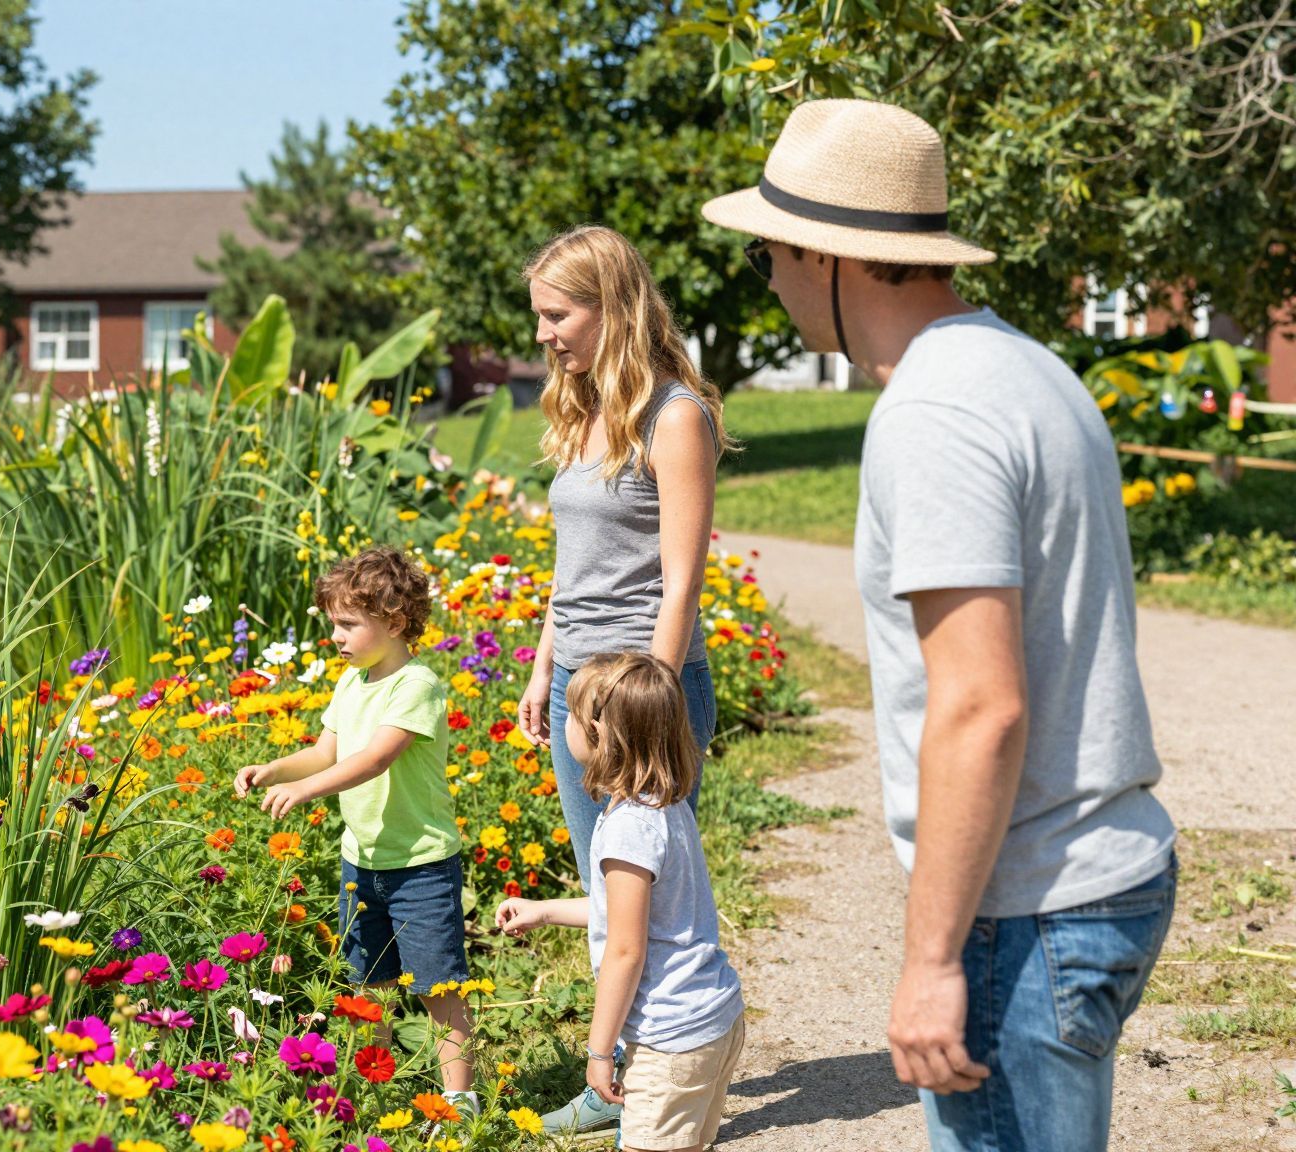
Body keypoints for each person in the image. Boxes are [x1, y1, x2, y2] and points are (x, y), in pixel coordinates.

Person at [702, 98, 1177, 1151]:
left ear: (820, 254)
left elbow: (979, 703)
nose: (769, 284)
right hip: (1098, 873)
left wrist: (929, 963)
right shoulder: (1021, 367)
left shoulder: (930, 414)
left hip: (1031, 910)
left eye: (765, 258)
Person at [513, 225, 727, 892]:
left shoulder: (675, 417)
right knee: (602, 895)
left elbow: (682, 585)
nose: (545, 335)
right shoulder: (582, 412)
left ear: (613, 306)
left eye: (558, 316)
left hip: (642, 689)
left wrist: (652, 711)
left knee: (649, 902)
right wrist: (545, 666)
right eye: (540, 317)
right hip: (576, 685)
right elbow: (573, 562)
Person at [233, 546, 477, 1115]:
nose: (335, 637)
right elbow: (327, 752)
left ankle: (459, 1098)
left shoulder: (416, 685)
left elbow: (373, 759)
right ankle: (377, 1086)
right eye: (333, 624)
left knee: (439, 987)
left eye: (347, 624)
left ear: (393, 622)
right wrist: (275, 770)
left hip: (420, 863)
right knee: (371, 984)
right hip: (361, 863)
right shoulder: (352, 683)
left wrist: (304, 791)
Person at [496, 652, 745, 1149]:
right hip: (713, 1018)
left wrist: (599, 1050)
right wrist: (544, 910)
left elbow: (626, 950)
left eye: (570, 713)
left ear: (598, 733)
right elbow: (630, 913)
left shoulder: (628, 830)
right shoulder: (662, 802)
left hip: (669, 1041)